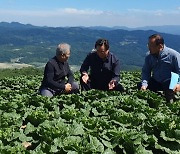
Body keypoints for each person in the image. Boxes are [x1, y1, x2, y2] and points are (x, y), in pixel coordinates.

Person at [139, 34, 180, 102]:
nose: (149, 48)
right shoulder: (149, 56)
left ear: (160, 46)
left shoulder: (173, 55)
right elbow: (146, 71)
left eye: (151, 46)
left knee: (170, 91)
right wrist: (144, 84)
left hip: (169, 83)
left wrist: (178, 83)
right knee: (140, 86)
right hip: (156, 81)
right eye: (148, 45)